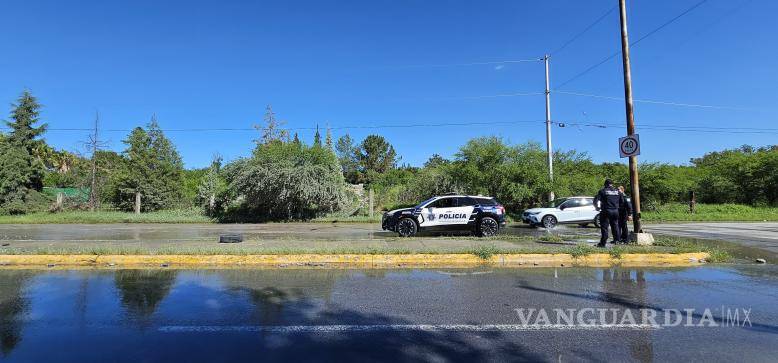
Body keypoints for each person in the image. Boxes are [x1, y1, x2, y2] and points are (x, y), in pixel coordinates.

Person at [593, 179, 626, 247]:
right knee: (615, 226)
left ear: (605, 184)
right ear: (612, 184)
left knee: (605, 227)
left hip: (606, 211)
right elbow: (622, 201)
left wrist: (597, 207)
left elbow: (595, 200)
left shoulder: (602, 191)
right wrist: (617, 207)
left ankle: (603, 243)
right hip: (615, 211)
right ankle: (617, 241)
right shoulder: (618, 191)